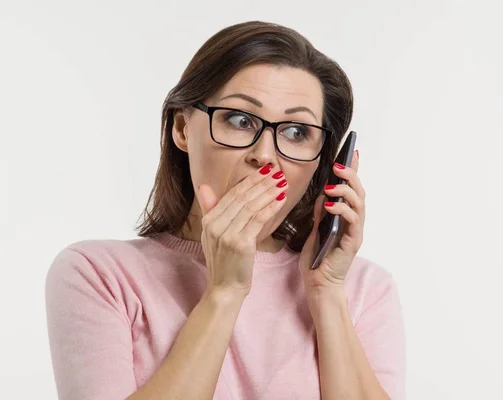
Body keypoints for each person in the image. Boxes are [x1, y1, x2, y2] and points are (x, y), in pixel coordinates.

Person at [45, 20, 406, 400]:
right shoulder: (98, 274)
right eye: (240, 120)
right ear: (183, 129)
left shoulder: (364, 289)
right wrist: (224, 291)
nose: (264, 155)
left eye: (297, 132)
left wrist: (328, 292)